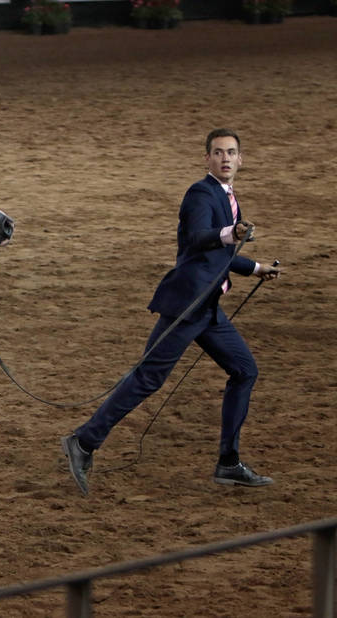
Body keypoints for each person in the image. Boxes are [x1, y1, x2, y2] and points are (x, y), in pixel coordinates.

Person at [61, 128, 281, 496]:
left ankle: (228, 462)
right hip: (187, 305)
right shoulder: (200, 193)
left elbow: (219, 255)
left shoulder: (228, 197)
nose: (225, 158)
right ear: (206, 159)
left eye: (231, 153)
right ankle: (84, 441)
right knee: (148, 378)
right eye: (217, 153)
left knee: (244, 370)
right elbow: (199, 237)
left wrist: (257, 267)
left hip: (206, 308)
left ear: (241, 159)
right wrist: (230, 232)